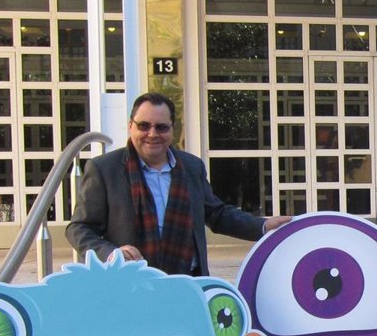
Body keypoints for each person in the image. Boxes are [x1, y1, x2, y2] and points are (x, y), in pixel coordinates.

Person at [67, 92, 290, 276]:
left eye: (161, 127)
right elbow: (79, 228)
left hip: (187, 282)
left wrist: (262, 226)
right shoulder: (104, 169)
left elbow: (216, 214)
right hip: (131, 282)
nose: (152, 134)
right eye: (143, 126)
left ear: (173, 129)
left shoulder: (192, 167)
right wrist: (111, 253)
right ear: (130, 126)